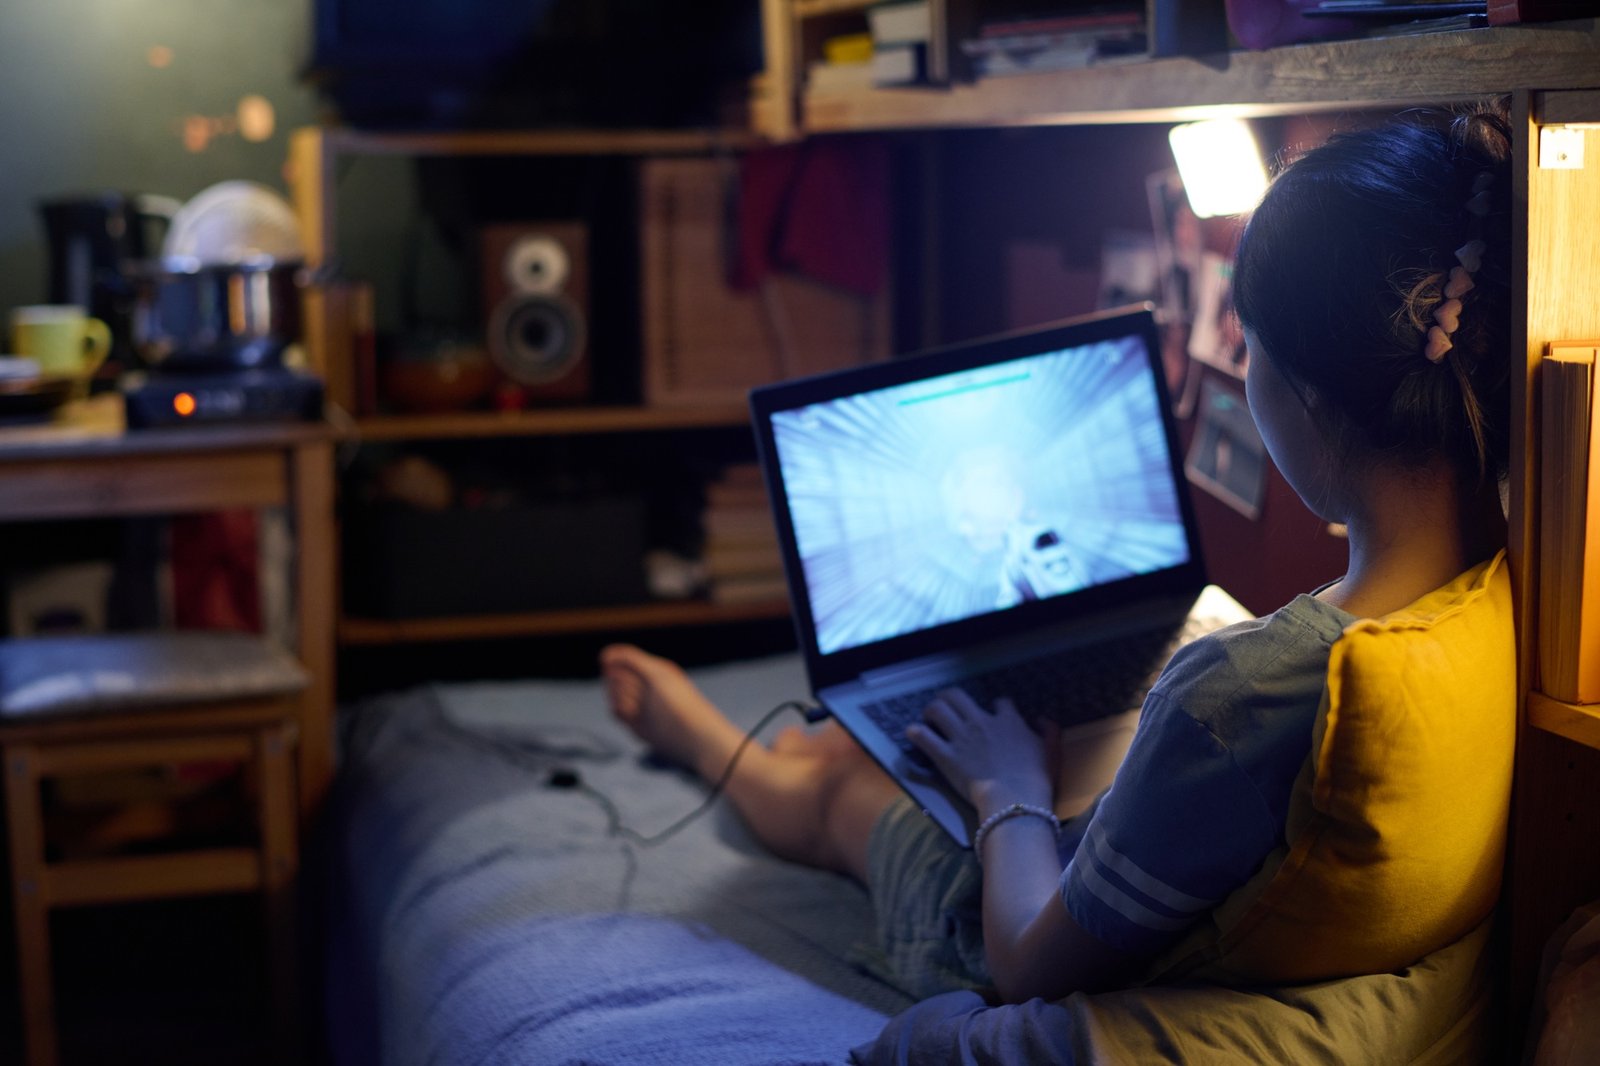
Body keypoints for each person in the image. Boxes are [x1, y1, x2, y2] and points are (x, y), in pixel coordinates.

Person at [601, 104, 1513, 1007]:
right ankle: (851, 747)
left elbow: (1025, 967)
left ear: (1306, 395)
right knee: (922, 737)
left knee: (862, 804)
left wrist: (1008, 788)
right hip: (1171, 855)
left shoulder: (1238, 693)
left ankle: (728, 749)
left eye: (1252, 348)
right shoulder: (1508, 589)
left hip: (1026, 915)